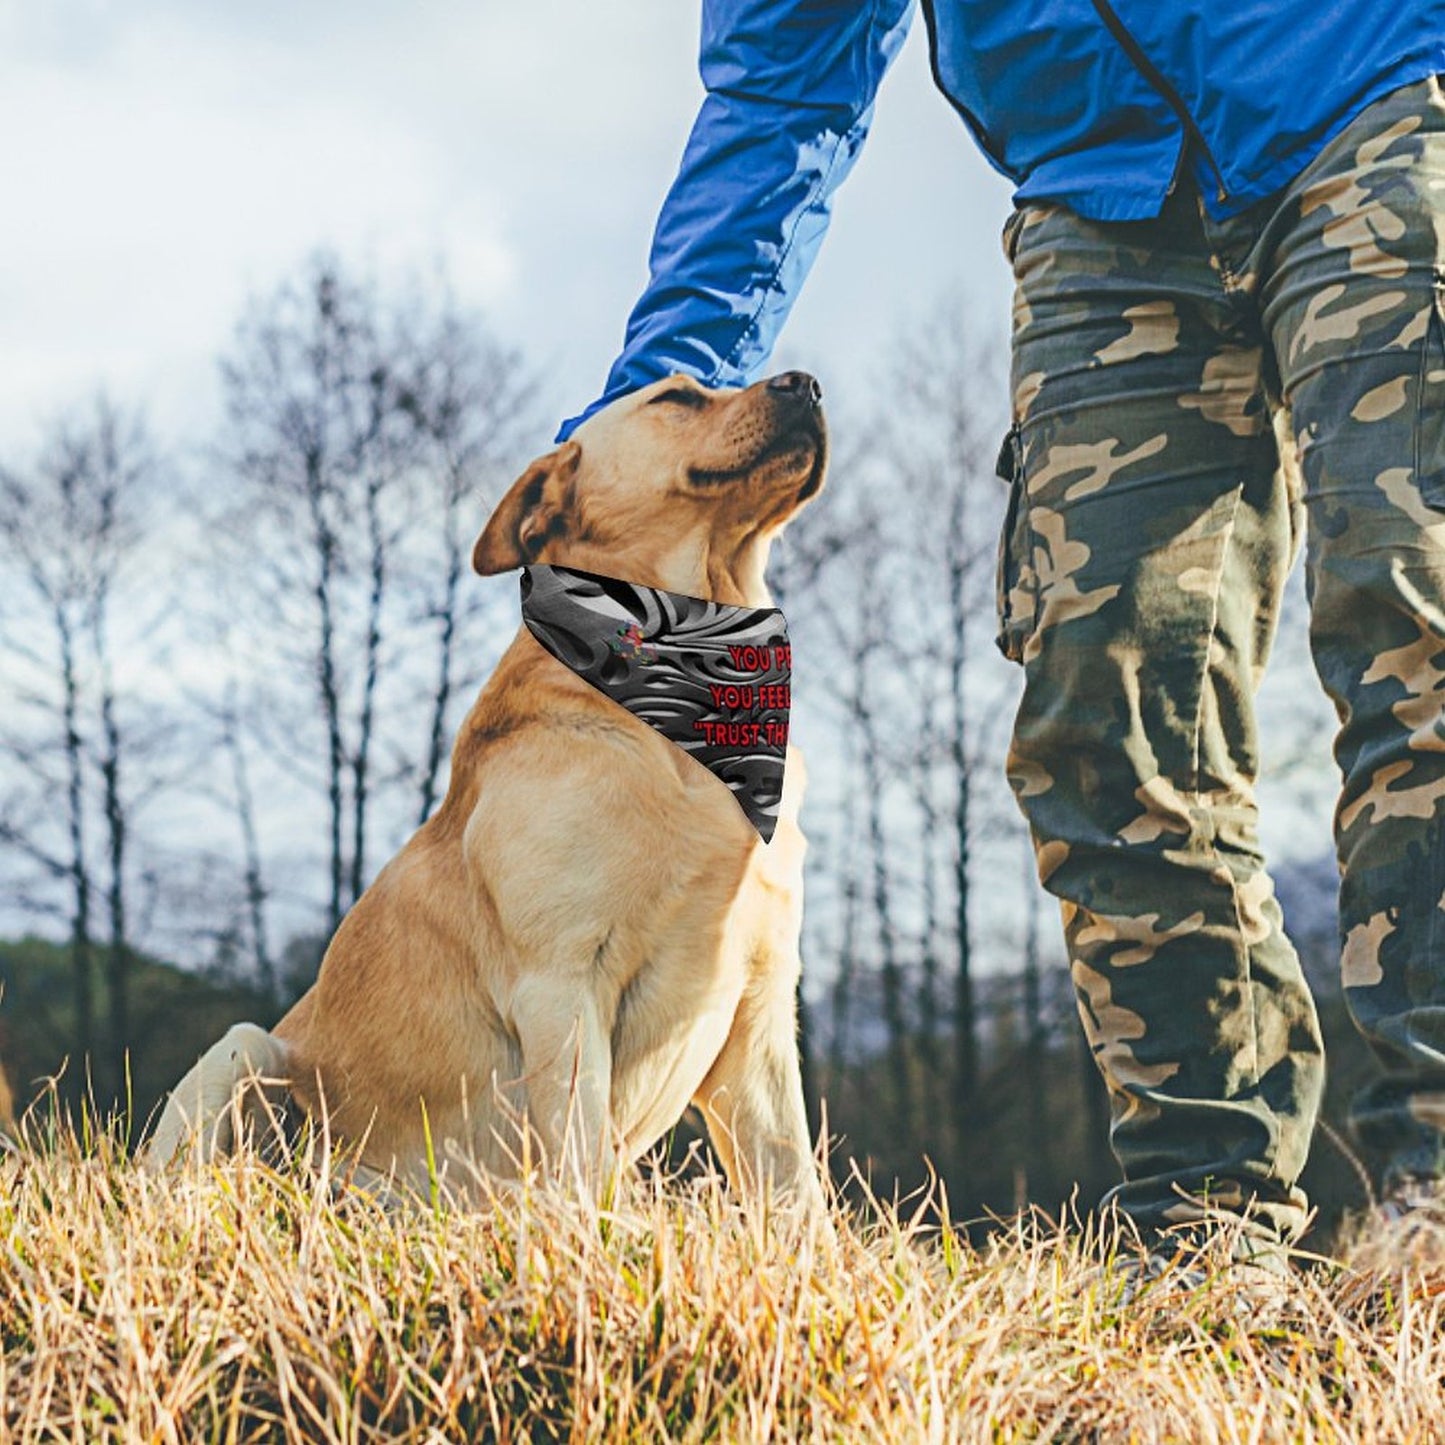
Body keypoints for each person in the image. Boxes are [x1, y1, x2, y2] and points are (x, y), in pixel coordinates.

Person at [559, 0, 1445, 1269]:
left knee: (1412, 621)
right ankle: (1206, 1227)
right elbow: (779, 92)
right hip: (1101, 200)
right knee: (1105, 718)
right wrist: (652, 418)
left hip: (1368, 86)